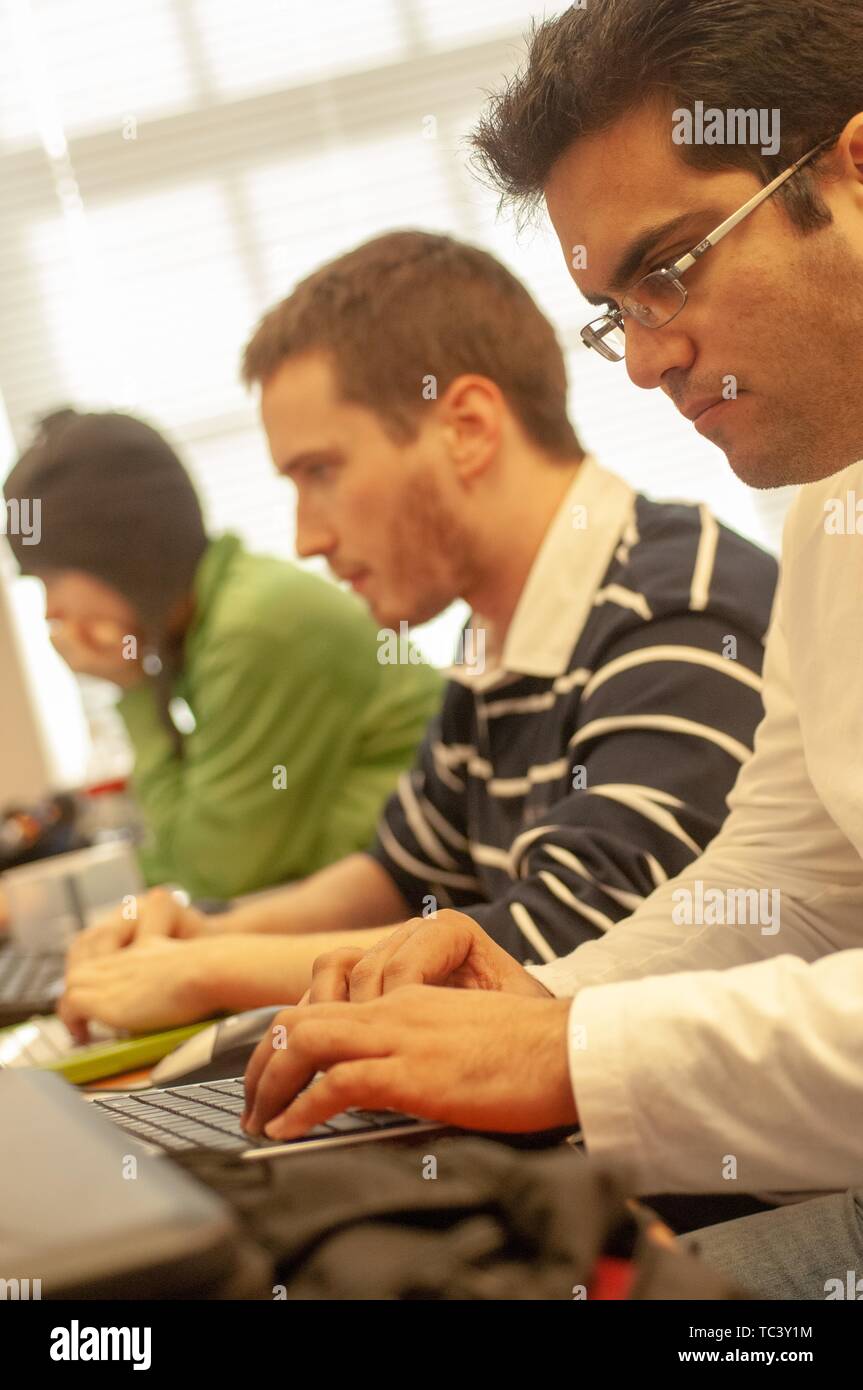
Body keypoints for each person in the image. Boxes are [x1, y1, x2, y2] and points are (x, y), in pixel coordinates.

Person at [239, 0, 863, 1299]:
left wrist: (572, 1044)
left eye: (671, 268)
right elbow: (788, 886)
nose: (641, 361)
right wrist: (529, 993)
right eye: (612, 311)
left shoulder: (678, 593)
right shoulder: (829, 511)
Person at [58, 231, 775, 1035]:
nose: (305, 539)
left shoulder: (673, 616)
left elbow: (563, 946)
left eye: (320, 473)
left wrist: (205, 973)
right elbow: (397, 874)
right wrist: (210, 933)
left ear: (466, 427)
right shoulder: (494, 639)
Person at [2, 408, 441, 900]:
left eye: (51, 579)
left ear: (122, 557)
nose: (52, 611)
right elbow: (183, 855)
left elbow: (215, 871)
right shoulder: (215, 623)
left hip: (433, 911)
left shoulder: (254, 628)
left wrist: (133, 691)